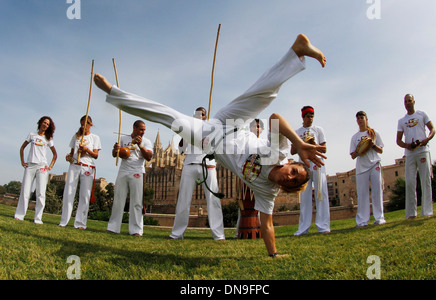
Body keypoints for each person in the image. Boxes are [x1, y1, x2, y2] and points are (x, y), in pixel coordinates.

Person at [94, 33, 327, 257]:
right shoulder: (278, 154)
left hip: (210, 137)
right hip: (233, 121)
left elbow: (266, 225)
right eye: (294, 172)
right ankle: (296, 51)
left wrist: (273, 254)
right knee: (265, 94)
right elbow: (275, 118)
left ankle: (114, 94)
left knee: (168, 117)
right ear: (291, 164)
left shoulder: (268, 191)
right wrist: (298, 142)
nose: (290, 177)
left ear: (288, 188)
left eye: (294, 182)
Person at [169, 107, 225, 240]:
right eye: (197, 114)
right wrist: (185, 134)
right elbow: (181, 149)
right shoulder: (188, 127)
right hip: (190, 164)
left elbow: (218, 146)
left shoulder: (212, 128)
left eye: (203, 114)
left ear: (206, 116)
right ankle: (177, 234)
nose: (200, 116)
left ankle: (219, 235)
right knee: (183, 199)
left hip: (208, 165)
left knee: (213, 200)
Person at [107, 120, 153, 236]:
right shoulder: (123, 139)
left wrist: (140, 145)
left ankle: (136, 230)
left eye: (144, 130)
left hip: (137, 171)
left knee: (137, 202)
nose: (143, 132)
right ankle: (113, 227)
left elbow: (148, 157)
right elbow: (114, 154)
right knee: (118, 199)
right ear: (134, 128)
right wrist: (116, 149)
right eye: (141, 129)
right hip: (123, 170)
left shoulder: (146, 141)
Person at [291, 106, 330, 235]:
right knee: (305, 197)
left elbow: (324, 149)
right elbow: (292, 150)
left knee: (321, 194)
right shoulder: (297, 132)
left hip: (318, 164)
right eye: (308, 116)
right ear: (303, 117)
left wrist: (313, 144)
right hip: (303, 166)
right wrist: (302, 143)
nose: (310, 118)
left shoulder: (318, 130)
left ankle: (323, 227)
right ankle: (303, 228)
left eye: (312, 116)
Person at [396, 94, 435, 219]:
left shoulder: (422, 114)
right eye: (405, 101)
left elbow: (432, 129)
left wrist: (426, 139)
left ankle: (427, 211)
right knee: (410, 183)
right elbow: (398, 140)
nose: (407, 103)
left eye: (409, 100)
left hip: (423, 151)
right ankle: (411, 213)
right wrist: (407, 145)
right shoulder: (401, 121)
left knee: (425, 181)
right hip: (410, 154)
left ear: (414, 101)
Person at [59, 116, 102, 229]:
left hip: (87, 166)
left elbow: (96, 155)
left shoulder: (95, 138)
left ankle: (80, 223)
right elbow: (72, 153)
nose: (83, 126)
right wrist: (69, 157)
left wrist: (87, 150)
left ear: (90, 124)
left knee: (84, 195)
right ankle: (64, 221)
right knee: (69, 192)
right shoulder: (76, 136)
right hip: (75, 166)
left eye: (86, 124)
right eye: (82, 124)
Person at [15, 116, 57, 224]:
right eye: (44, 123)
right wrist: (22, 162)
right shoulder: (32, 135)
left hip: (42, 167)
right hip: (30, 166)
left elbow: (55, 154)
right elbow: (22, 148)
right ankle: (19, 215)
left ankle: (38, 218)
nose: (45, 125)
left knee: (41, 193)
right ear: (40, 123)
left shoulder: (48, 139)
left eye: (47, 124)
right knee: (25, 191)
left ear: (49, 127)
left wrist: (50, 166)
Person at [350, 111, 386, 227]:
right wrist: (359, 150)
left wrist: (372, 145)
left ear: (366, 119)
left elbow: (381, 150)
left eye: (362, 117)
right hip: (361, 167)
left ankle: (379, 218)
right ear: (356, 121)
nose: (360, 120)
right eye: (358, 118)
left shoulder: (374, 133)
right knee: (362, 194)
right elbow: (352, 155)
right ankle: (362, 221)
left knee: (377, 192)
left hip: (374, 164)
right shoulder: (354, 137)